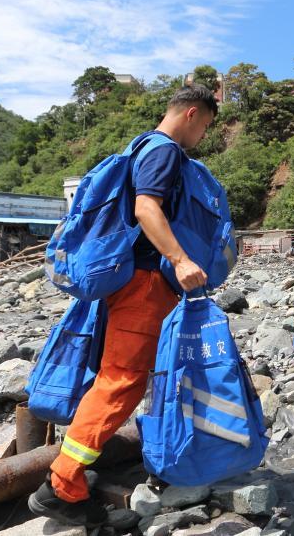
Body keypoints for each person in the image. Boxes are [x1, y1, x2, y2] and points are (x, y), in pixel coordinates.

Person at [30, 86, 218, 529]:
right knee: (123, 380)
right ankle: (62, 484)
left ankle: (155, 459)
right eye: (206, 125)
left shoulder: (138, 146)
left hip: (129, 282)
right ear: (191, 114)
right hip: (144, 286)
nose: (203, 135)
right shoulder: (165, 151)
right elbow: (147, 208)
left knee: (137, 375)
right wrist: (181, 258)